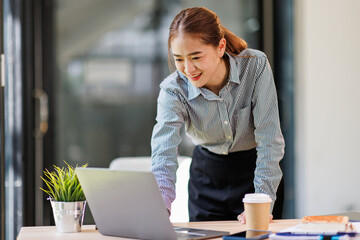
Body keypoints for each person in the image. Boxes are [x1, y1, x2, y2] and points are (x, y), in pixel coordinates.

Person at [151, 6, 285, 222]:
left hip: (256, 172)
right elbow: (163, 156)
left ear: (220, 47)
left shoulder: (255, 66)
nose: (188, 69)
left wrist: (262, 199)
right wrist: (159, 210)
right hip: (206, 177)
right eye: (179, 59)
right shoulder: (173, 90)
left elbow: (270, 142)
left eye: (196, 57)